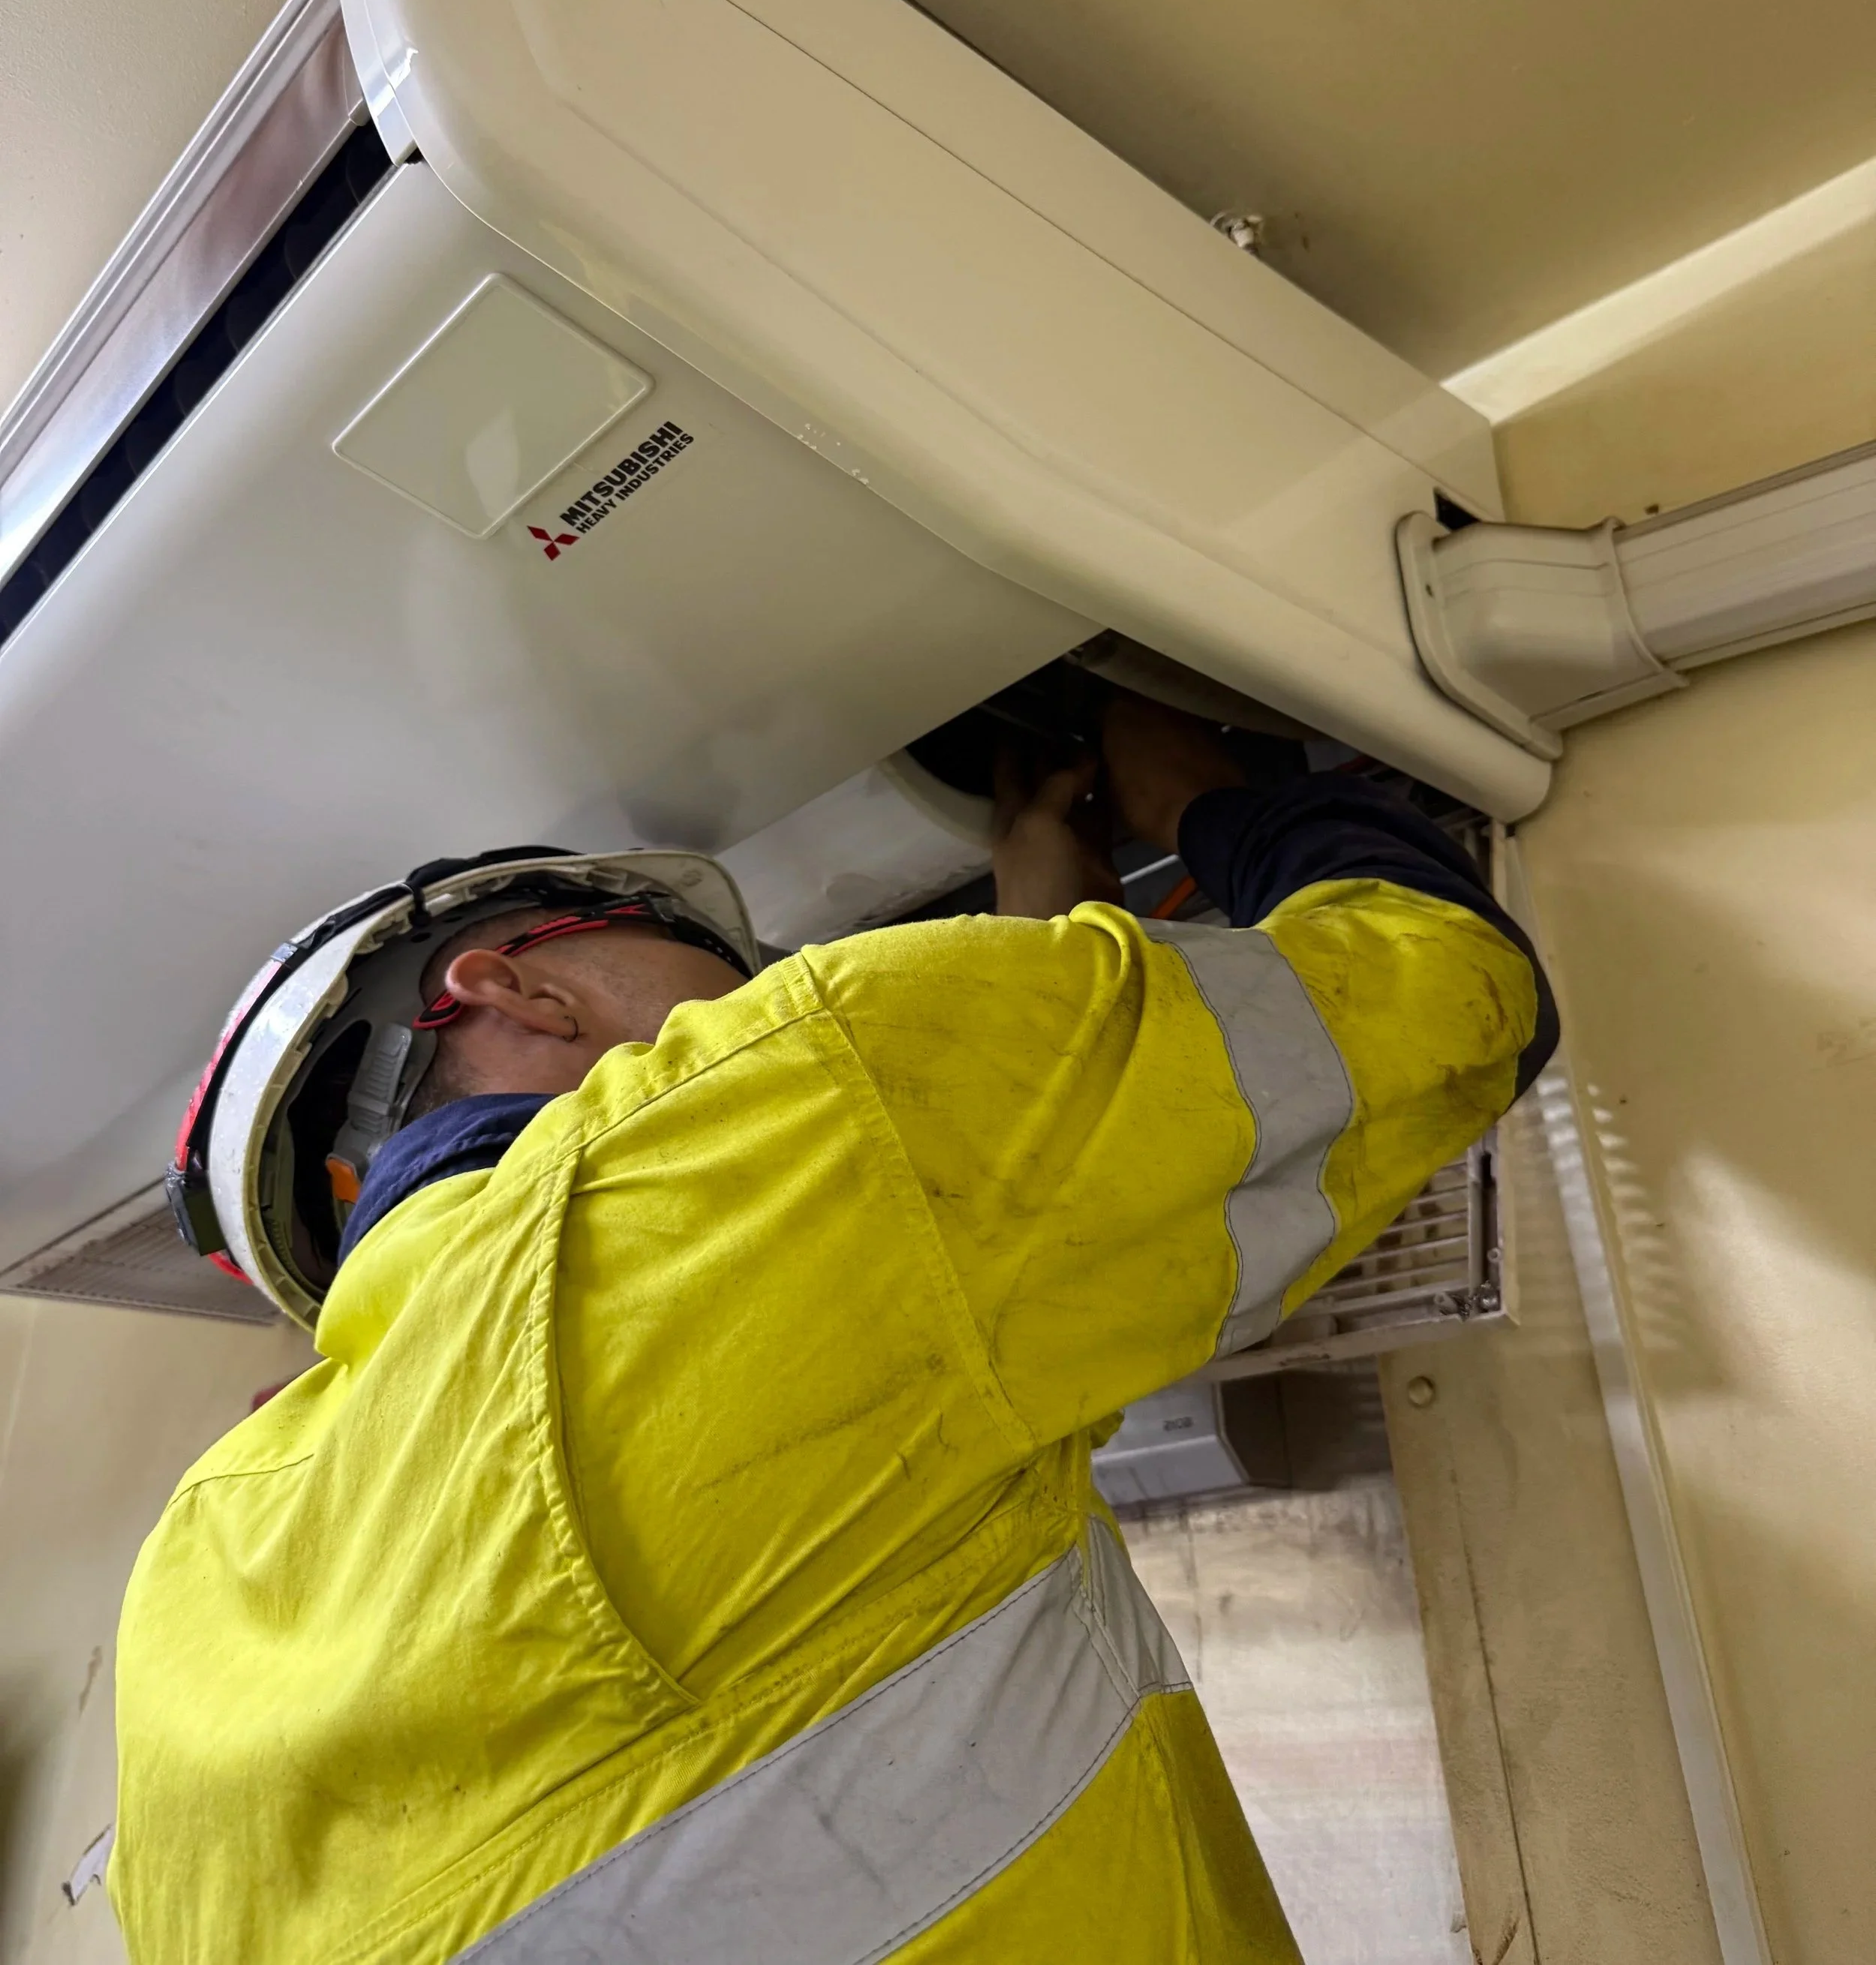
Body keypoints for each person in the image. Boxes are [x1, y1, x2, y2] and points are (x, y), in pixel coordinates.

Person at [113, 691, 1556, 1964]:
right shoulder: (772, 1102)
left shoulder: (196, 1567)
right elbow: (1449, 985)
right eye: (699, 955)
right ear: (517, 988)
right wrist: (1202, 799)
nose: (752, 987)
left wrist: (1036, 957)